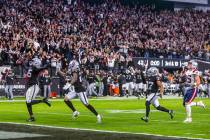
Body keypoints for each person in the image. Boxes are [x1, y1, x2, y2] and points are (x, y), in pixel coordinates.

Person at [25, 57, 51, 122]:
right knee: (27, 103)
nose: (32, 62)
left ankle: (43, 101)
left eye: (33, 61)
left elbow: (40, 68)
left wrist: (46, 66)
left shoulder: (36, 68)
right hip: (30, 86)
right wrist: (22, 62)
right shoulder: (31, 68)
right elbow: (26, 67)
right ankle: (32, 117)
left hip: (33, 86)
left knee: (29, 102)